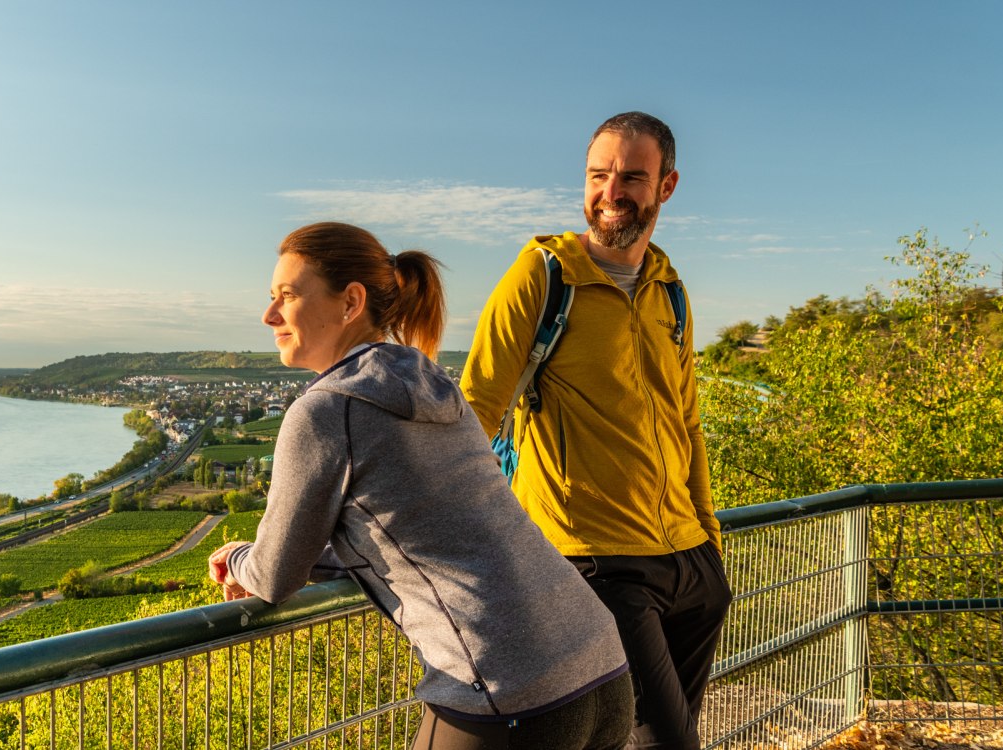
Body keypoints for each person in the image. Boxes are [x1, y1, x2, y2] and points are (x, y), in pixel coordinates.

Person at [208, 222, 632, 750]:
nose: (269, 315)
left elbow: (272, 575)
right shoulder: (436, 387)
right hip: (601, 662)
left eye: (287, 296)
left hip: (507, 688)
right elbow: (420, 534)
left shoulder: (323, 411)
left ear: (350, 302)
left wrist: (237, 557)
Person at [459, 112, 731, 750]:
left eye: (633, 176)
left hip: (690, 562)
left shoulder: (671, 291)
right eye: (599, 174)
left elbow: (685, 421)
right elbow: (473, 412)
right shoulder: (542, 275)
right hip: (597, 564)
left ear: (666, 186)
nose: (612, 191)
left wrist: (709, 546)